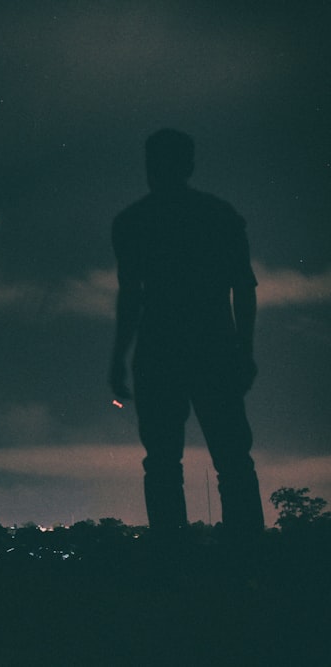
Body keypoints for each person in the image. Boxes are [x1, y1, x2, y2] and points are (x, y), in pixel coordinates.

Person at [110, 128, 265, 542]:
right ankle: (245, 558)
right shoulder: (220, 216)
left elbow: (132, 298)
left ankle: (172, 560)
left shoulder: (132, 223)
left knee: (163, 463)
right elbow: (243, 287)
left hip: (159, 351)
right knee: (232, 459)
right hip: (214, 347)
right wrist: (244, 350)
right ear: (189, 165)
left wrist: (118, 357)